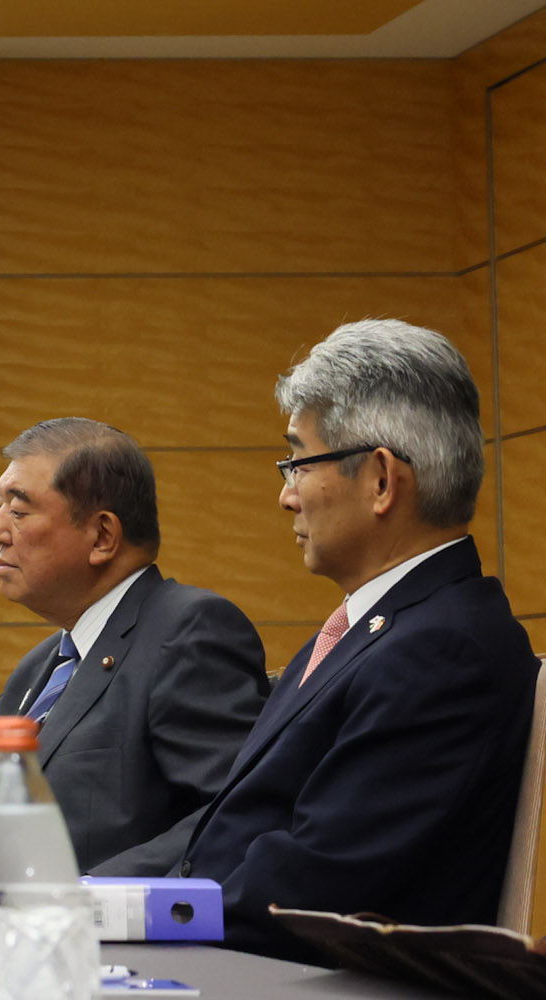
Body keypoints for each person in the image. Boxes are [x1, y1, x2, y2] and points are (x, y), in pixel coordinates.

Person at [106, 321, 538, 960]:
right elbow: (235, 823)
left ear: (382, 481)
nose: (285, 496)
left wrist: (115, 919)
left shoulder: (445, 652)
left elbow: (309, 884)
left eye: (297, 462)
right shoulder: (379, 627)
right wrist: (96, 899)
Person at [0, 418, 268, 873]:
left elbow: (233, 816)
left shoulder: (189, 631)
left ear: (102, 536)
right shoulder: (38, 667)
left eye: (18, 512)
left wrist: (81, 902)